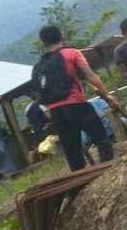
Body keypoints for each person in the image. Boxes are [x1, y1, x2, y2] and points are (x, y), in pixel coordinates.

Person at [33, 25, 117, 172]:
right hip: (76, 104)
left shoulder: (41, 64)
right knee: (101, 136)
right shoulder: (71, 53)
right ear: (61, 36)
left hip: (56, 111)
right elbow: (90, 76)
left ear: (44, 43)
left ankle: (80, 180)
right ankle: (108, 171)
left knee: (72, 150)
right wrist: (108, 96)